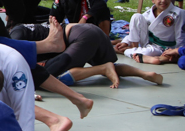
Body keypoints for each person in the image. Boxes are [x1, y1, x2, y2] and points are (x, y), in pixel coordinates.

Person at [10, 22, 162, 88]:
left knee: (49, 78)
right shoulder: (20, 30)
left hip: (79, 37)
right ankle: (145, 74)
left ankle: (102, 69)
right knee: (113, 67)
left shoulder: (14, 38)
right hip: (89, 30)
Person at [115, 0, 185, 64]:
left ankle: (128, 51)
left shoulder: (179, 13)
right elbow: (137, 29)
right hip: (148, 43)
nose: (163, 1)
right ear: (153, 0)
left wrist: (177, 51)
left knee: (146, 52)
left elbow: (180, 35)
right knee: (136, 16)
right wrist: (126, 42)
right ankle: (134, 47)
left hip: (166, 48)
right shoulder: (149, 13)